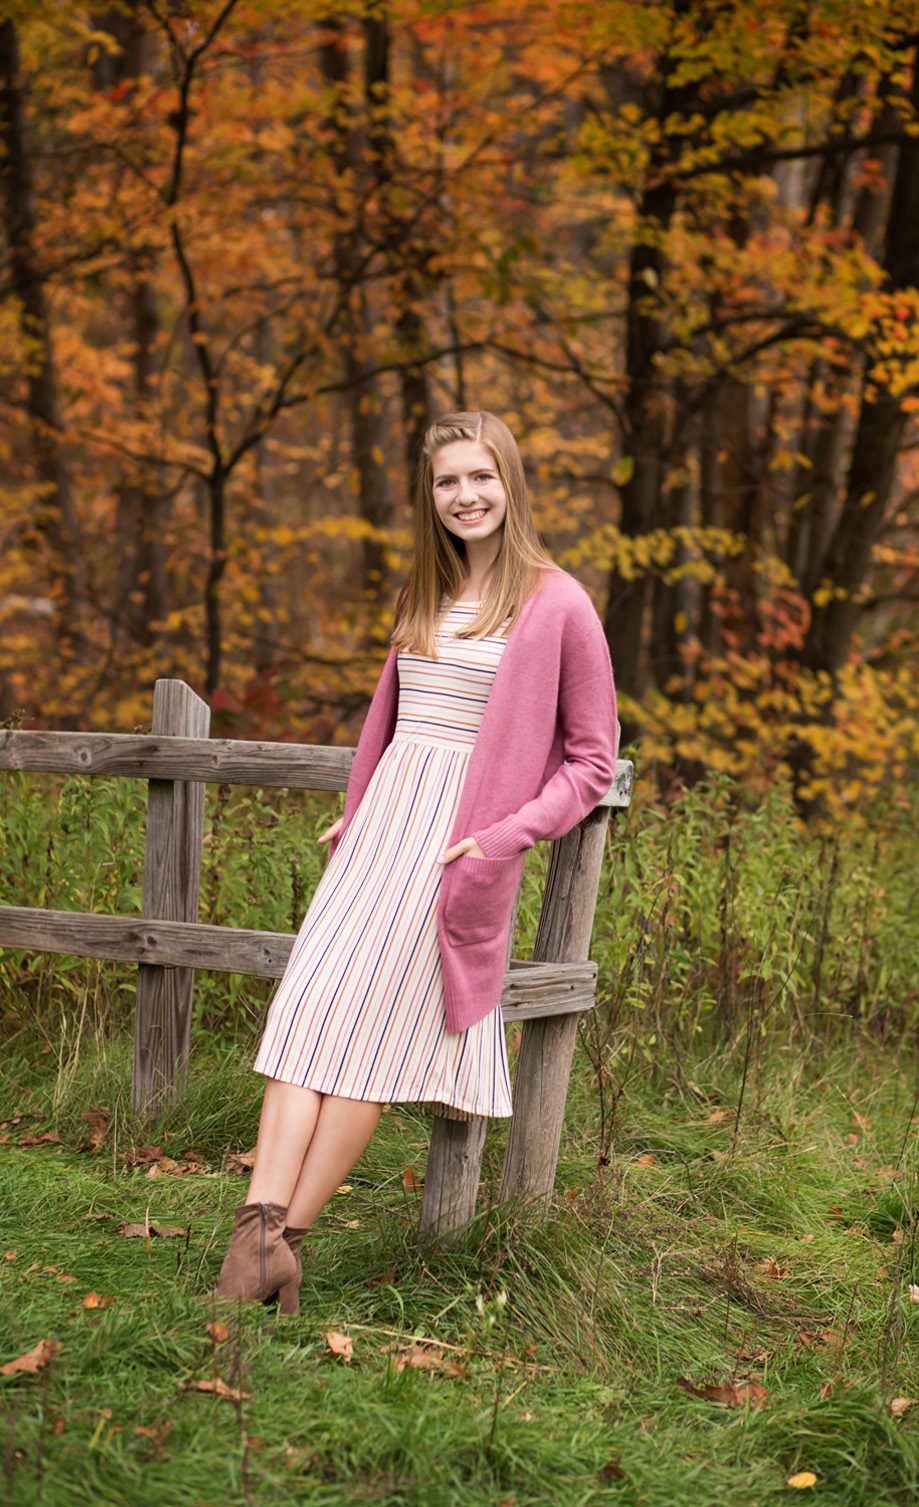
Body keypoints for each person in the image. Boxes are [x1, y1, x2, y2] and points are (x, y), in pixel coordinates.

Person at [211, 410, 620, 1313]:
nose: (465, 496)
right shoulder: (423, 593)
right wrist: (358, 812)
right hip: (379, 839)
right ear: (428, 496)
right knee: (305, 1019)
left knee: (366, 1048)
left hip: (455, 847)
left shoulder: (558, 603)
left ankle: (277, 1247)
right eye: (447, 482)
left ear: (510, 482)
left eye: (481, 477)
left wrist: (507, 834)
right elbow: (393, 725)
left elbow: (592, 759)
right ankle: (260, 1241)